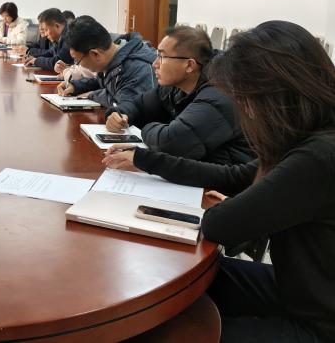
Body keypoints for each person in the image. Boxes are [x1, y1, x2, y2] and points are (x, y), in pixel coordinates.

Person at [103, 21, 335, 342]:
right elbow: (234, 177)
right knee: (187, 280)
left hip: (318, 322)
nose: (244, 112)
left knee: (163, 333)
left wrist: (244, 204)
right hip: (294, 286)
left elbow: (219, 224)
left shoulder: (318, 156)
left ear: (271, 96)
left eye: (244, 100)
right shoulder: (305, 137)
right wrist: (145, 159)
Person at [104, 26, 251, 165]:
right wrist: (121, 114)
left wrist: (147, 128)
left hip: (229, 180)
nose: (155, 64)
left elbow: (171, 143)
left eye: (162, 56)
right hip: (195, 172)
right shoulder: (175, 86)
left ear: (189, 65)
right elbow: (139, 105)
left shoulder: (219, 93)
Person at [56, 16, 157, 108]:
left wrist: (93, 95)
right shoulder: (112, 59)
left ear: (95, 54)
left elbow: (126, 107)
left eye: (77, 60)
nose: (77, 64)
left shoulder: (137, 68)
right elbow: (103, 82)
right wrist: (75, 86)